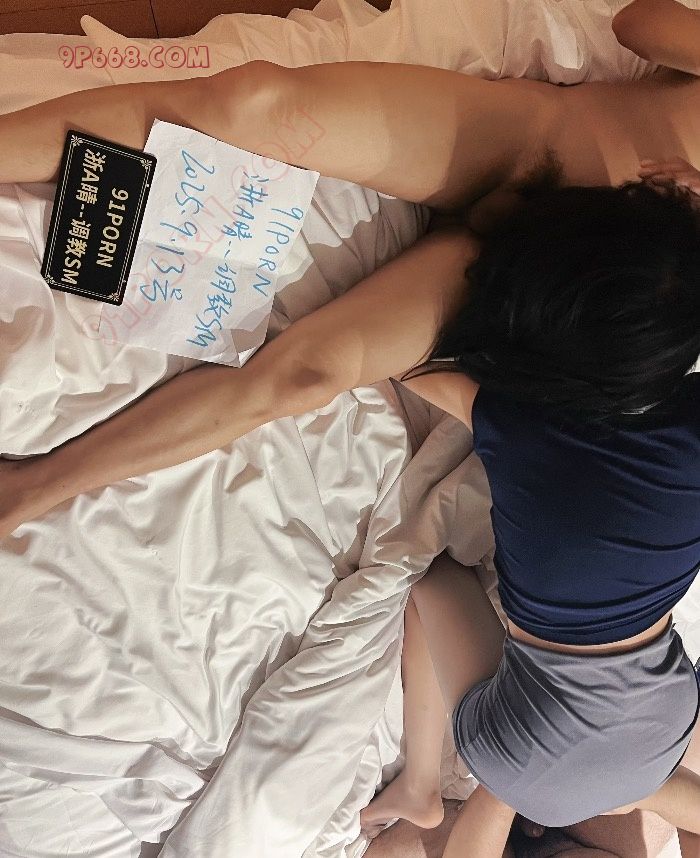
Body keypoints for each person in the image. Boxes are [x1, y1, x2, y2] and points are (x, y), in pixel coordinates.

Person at [0, 0, 699, 853]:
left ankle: (32, 488)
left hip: (547, 291)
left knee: (305, 373)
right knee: (256, 105)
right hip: (535, 149)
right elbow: (639, 25)